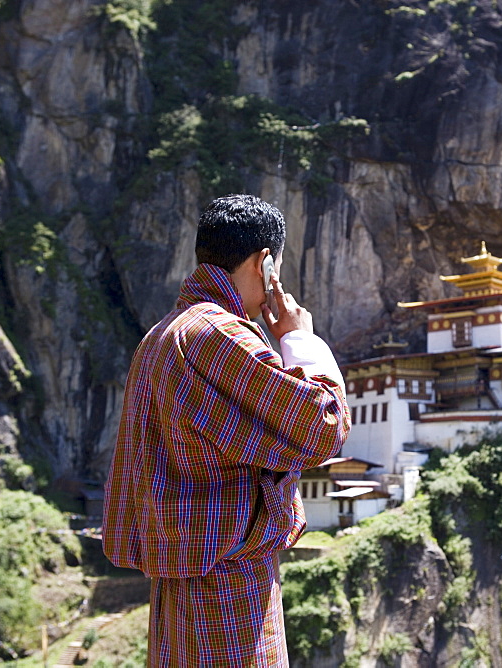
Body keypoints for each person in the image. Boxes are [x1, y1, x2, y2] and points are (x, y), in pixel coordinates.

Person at [102, 194, 351, 666]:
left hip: (179, 582)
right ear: (265, 264)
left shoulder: (159, 336)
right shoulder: (217, 335)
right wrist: (299, 337)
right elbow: (324, 426)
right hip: (228, 588)